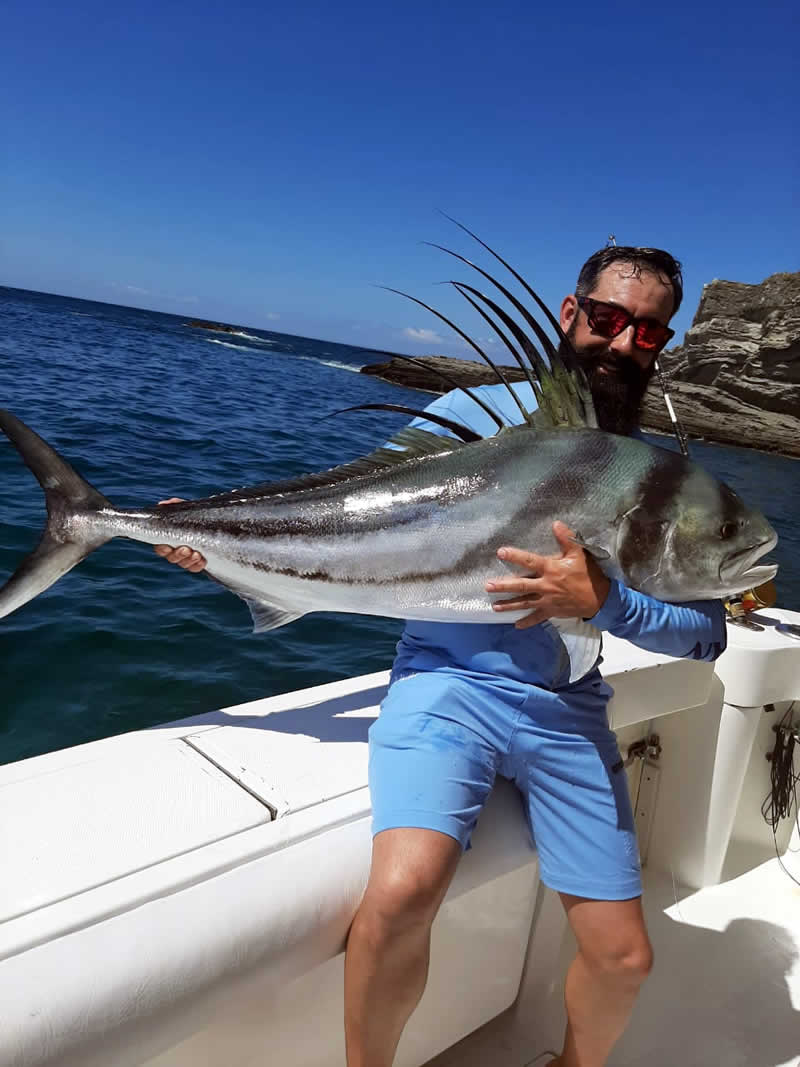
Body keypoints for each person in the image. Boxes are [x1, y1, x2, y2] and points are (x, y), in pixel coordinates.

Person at [154, 247, 727, 1067]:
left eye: (646, 330)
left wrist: (605, 603)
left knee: (625, 956)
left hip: (566, 708)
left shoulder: (661, 476)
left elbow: (705, 635)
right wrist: (214, 530)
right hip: (447, 686)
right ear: (572, 315)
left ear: (662, 341)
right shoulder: (474, 410)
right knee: (398, 894)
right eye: (607, 319)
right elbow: (353, 502)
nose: (622, 342)